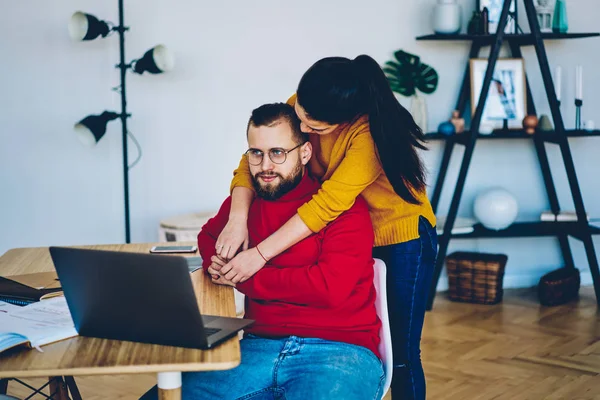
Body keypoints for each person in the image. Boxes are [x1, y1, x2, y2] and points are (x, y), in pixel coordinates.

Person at [214, 55, 438, 400]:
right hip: (349, 226)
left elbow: (328, 204)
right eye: (299, 114)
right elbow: (248, 161)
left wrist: (258, 255)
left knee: (405, 356)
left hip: (401, 236)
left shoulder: (368, 136)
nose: (302, 130)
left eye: (314, 128)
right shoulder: (302, 108)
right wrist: (237, 219)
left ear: (342, 119)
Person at [140, 102, 384, 400]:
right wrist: (222, 261)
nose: (265, 165)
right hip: (257, 347)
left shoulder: (344, 209)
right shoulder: (244, 206)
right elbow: (209, 237)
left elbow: (328, 288)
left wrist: (243, 276)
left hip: (339, 352)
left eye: (278, 153)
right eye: (256, 153)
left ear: (305, 153)